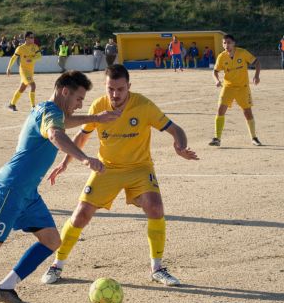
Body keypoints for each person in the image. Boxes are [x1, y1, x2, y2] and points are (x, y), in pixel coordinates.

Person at [0, 71, 121, 303]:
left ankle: (5, 287)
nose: (80, 105)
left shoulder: (47, 109)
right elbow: (56, 133)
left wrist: (96, 118)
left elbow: (62, 123)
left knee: (51, 240)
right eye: (79, 99)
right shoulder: (51, 114)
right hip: (12, 188)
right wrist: (83, 158)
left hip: (27, 192)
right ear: (65, 91)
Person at [42, 64, 198, 287]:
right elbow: (82, 136)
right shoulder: (99, 106)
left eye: (120, 90)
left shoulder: (143, 105)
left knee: (155, 207)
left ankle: (157, 268)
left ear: (129, 87)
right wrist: (65, 162)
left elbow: (176, 129)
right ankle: (57, 265)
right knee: (81, 215)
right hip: (107, 169)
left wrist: (180, 146)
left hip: (140, 168)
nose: (115, 95)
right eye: (110, 89)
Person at [209, 34, 262, 147]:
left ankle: (254, 138)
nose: (226, 45)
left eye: (229, 42)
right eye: (224, 43)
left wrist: (256, 76)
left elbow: (257, 62)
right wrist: (216, 81)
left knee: (247, 113)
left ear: (234, 43)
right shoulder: (221, 56)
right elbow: (214, 71)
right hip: (228, 87)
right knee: (220, 110)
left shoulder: (242, 53)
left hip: (243, 88)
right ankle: (217, 138)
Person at [6, 31, 42, 111]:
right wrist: (9, 67)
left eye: (33, 37)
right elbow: (13, 58)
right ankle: (33, 107)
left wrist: (32, 59)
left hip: (30, 71)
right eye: (31, 37)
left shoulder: (35, 46)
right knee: (33, 85)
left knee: (22, 88)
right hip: (23, 70)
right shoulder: (20, 48)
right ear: (26, 38)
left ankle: (12, 104)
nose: (33, 39)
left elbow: (39, 56)